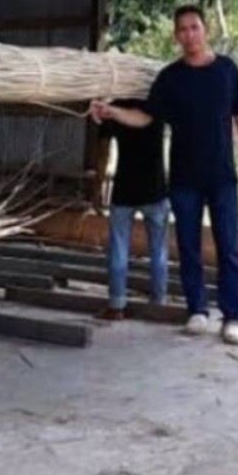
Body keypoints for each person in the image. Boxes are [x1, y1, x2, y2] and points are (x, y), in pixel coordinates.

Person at [90, 5, 238, 345]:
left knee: (229, 248)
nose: (189, 34)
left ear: (206, 29)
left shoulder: (227, 70)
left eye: (194, 27)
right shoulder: (170, 78)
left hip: (222, 176)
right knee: (188, 246)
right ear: (175, 36)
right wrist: (112, 112)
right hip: (184, 179)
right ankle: (197, 310)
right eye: (182, 29)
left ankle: (232, 318)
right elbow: (144, 117)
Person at [93, 98, 170, 320]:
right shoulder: (157, 105)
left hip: (124, 191)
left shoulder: (115, 107)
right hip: (155, 190)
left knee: (119, 249)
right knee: (158, 251)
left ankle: (116, 304)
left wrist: (98, 185)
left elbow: (103, 151)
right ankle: (158, 302)